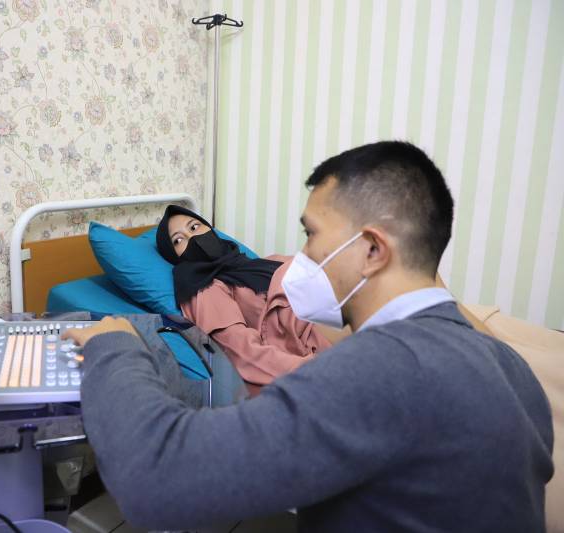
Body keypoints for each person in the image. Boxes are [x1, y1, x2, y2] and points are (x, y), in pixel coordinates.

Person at [63, 141, 554, 532]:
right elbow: (243, 349)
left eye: (312, 234)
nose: (303, 256)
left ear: (372, 249)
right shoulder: (510, 366)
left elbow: (156, 476)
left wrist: (116, 345)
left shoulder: (371, 373)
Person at [155, 204, 336, 386]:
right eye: (178, 240)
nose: (193, 237)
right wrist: (318, 371)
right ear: (172, 255)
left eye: (194, 227)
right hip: (322, 356)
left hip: (337, 322)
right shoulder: (206, 289)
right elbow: (244, 354)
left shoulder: (266, 262)